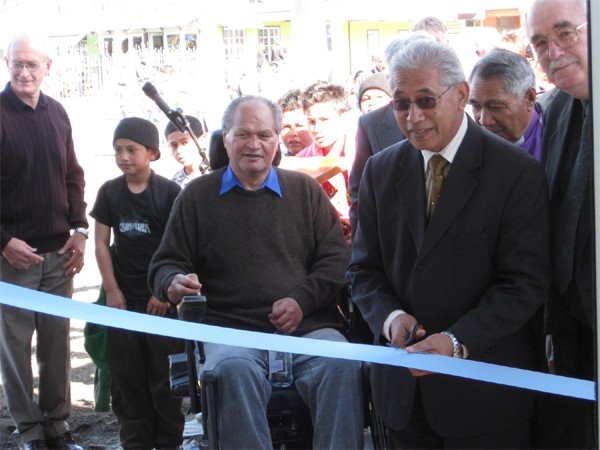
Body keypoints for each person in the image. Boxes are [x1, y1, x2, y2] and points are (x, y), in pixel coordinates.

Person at [347, 36, 551, 449]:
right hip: (403, 398)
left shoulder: (515, 172)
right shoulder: (380, 171)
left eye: (425, 100)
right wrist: (391, 319)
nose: (412, 117)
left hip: (485, 398)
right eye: (401, 103)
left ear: (460, 95)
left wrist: (456, 342)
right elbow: (363, 271)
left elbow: (524, 283)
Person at [148, 95, 364, 449]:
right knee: (232, 372)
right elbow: (165, 263)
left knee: (343, 365)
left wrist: (301, 301)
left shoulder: (305, 192)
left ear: (277, 138)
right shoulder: (197, 197)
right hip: (231, 333)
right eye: (243, 134)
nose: (254, 145)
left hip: (308, 327)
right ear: (225, 138)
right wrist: (172, 282)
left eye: (264, 135)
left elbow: (336, 261)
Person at [0, 33, 87, 450]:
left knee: (56, 346)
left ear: (48, 66)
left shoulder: (58, 113)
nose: (24, 72)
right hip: (11, 259)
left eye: (32, 64)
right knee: (14, 352)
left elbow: (73, 174)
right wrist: (2, 243)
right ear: (6, 63)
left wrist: (80, 229)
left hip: (58, 256)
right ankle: (30, 431)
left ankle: (57, 426)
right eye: (17, 63)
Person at [526, 0, 596, 448]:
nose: (553, 52)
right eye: (539, 42)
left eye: (566, 33)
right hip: (573, 328)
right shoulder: (554, 109)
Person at [90, 117, 184, 449]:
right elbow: (101, 242)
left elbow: (179, 246)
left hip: (161, 305)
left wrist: (163, 293)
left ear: (153, 153)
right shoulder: (109, 192)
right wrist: (113, 291)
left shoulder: (170, 193)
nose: (124, 157)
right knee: (127, 380)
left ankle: (169, 442)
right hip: (122, 304)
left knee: (164, 380)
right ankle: (135, 442)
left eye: (132, 149)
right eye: (118, 150)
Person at [297, 81, 356, 243]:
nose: (316, 129)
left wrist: (359, 229)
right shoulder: (301, 161)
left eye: (324, 119)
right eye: (311, 122)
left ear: (343, 117)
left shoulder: (362, 151)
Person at [468, 48, 543, 160]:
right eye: (475, 106)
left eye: (495, 107)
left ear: (529, 98)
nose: (484, 120)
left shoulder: (562, 139)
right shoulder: (465, 149)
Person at [165, 114, 208, 187]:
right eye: (174, 145)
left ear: (201, 140)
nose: (179, 150)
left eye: (185, 142)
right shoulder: (175, 184)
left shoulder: (219, 173)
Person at [277, 88, 313, 155]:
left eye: (299, 126)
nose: (293, 133)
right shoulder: (269, 164)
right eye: (286, 127)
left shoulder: (333, 162)